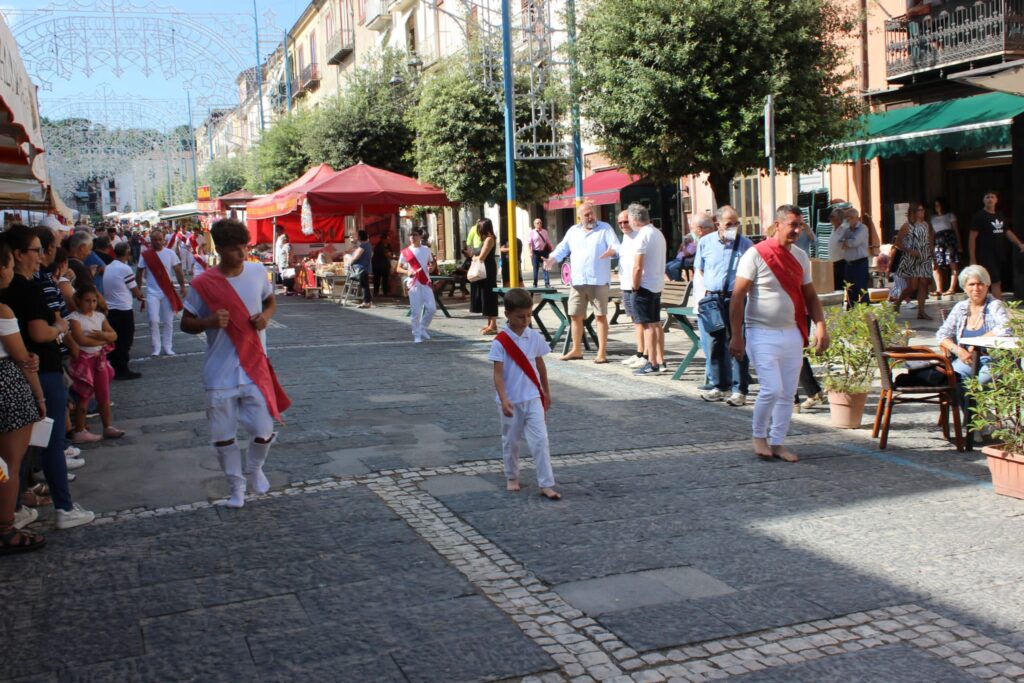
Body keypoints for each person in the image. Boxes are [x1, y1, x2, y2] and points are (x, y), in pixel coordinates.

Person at [181, 219, 288, 509]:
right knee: (223, 437)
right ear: (219, 249)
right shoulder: (203, 283)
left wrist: (265, 317)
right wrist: (208, 322)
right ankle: (235, 487)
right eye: (235, 249)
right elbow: (186, 323)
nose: (242, 254)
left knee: (264, 431)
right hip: (219, 372)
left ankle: (255, 468)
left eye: (245, 247)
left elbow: (270, 301)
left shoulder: (257, 272)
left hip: (254, 367)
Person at [0, 225, 94, 529]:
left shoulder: (17, 288)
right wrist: (60, 328)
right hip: (38, 371)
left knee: (17, 453)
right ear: (17, 255)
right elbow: (38, 334)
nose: (41, 256)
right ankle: (63, 508)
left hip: (25, 372)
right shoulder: (26, 289)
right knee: (49, 443)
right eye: (36, 250)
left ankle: (14, 509)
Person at [729, 205, 829, 463]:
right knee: (772, 389)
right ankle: (758, 436)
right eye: (793, 225)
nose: (797, 230)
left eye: (800, 225)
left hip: (791, 331)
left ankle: (777, 442)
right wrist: (736, 335)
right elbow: (738, 297)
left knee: (787, 393)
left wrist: (821, 326)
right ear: (777, 225)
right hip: (760, 332)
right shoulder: (755, 254)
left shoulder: (801, 256)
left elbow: (810, 295)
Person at [488, 288, 560, 500]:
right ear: (507, 314)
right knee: (511, 441)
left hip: (533, 397)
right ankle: (512, 476)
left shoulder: (534, 337)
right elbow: (498, 373)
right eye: (521, 316)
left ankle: (546, 484)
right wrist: (503, 399)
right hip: (511, 400)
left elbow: (540, 366)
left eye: (529, 315)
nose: (526, 320)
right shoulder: (500, 342)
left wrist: (546, 391)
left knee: (541, 440)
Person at [0, 238, 47, 552]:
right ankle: (6, 529)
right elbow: (23, 359)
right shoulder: (2, 310)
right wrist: (40, 398)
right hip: (7, 390)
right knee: (9, 465)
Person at [545, 201, 620, 363]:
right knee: (575, 315)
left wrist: (612, 251)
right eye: (587, 215)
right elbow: (562, 248)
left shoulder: (605, 228)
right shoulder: (573, 231)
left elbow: (616, 246)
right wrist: (552, 259)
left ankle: (601, 353)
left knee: (600, 316)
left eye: (592, 213)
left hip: (598, 280)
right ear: (579, 217)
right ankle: (576, 350)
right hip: (578, 281)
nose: (591, 217)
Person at [695, 205, 752, 406]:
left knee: (738, 341)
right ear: (717, 224)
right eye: (729, 224)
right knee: (714, 343)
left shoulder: (745, 244)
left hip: (736, 298)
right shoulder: (705, 242)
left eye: (736, 223)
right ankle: (720, 386)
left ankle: (740, 390)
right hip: (713, 299)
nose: (733, 227)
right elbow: (701, 269)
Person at [936, 265, 1010, 385]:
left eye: (980, 284)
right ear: (964, 287)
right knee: (953, 378)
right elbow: (942, 335)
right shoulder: (960, 308)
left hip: (991, 359)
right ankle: (961, 398)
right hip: (966, 359)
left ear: (987, 286)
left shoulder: (994, 305)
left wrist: (977, 342)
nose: (976, 288)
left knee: (984, 380)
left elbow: (1006, 328)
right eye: (971, 284)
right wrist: (958, 351)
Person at [67, 285, 123, 442]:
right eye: (87, 301)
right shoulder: (74, 318)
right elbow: (81, 340)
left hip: (99, 359)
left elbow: (113, 335)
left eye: (93, 301)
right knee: (83, 395)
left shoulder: (99, 316)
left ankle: (108, 425)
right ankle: (80, 429)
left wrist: (103, 336)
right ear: (78, 300)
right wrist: (103, 339)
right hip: (84, 361)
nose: (91, 304)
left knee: (103, 394)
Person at [627, 204, 668, 376]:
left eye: (629, 219)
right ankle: (659, 360)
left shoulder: (642, 235)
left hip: (644, 285)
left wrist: (635, 286)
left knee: (647, 325)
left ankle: (652, 362)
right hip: (656, 284)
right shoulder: (657, 233)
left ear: (634, 219)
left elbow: (638, 266)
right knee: (655, 323)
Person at [138, 228, 187, 356]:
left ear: (164, 240)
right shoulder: (146, 255)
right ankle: (156, 348)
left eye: (160, 239)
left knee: (168, 321)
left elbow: (178, 270)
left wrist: (182, 286)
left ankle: (167, 347)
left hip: (167, 291)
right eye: (155, 240)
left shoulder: (170, 253)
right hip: (152, 292)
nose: (158, 242)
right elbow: (139, 271)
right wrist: (138, 289)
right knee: (153, 320)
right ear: (151, 240)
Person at [969, 190, 1024, 299]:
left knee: (996, 281)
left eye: (992, 197)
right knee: (992, 281)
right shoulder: (979, 216)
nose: (990, 199)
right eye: (987, 197)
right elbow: (972, 238)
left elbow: (1007, 231)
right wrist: (972, 258)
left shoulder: (999, 215)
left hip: (998, 254)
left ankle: (994, 304)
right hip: (985, 254)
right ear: (983, 200)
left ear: (996, 200)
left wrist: (1019, 244)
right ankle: (996, 305)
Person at [103, 242, 144, 380]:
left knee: (115, 340)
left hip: (110, 309)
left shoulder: (108, 267)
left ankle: (114, 367)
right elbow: (135, 290)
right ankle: (122, 370)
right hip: (123, 308)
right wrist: (140, 295)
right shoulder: (125, 269)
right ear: (127, 254)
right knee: (125, 341)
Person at [616, 210, 646, 368]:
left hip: (636, 286)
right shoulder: (625, 238)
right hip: (625, 285)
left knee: (641, 321)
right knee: (635, 321)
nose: (623, 225)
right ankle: (639, 352)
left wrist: (636, 284)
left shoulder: (638, 236)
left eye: (625, 221)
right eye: (620, 223)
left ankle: (645, 354)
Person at [396, 228, 437, 343]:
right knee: (416, 311)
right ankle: (417, 335)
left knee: (432, 309)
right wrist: (407, 272)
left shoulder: (426, 249)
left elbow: (432, 263)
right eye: (410, 235)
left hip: (425, 282)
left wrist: (431, 268)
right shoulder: (405, 252)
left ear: (420, 237)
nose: (412, 237)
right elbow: (398, 268)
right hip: (414, 283)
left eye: (414, 235)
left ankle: (422, 328)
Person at [895, 203, 935, 320]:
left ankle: (921, 312)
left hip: (925, 257)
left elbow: (930, 243)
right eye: (920, 210)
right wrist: (909, 250)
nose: (922, 212)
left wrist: (934, 258)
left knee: (923, 284)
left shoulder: (927, 225)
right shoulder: (907, 226)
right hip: (912, 258)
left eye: (923, 210)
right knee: (912, 286)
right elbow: (897, 243)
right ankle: (898, 302)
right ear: (914, 212)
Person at [838, 207, 870, 307]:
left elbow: (855, 242)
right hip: (849, 264)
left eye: (847, 218)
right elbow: (838, 241)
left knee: (862, 290)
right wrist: (844, 240)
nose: (845, 221)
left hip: (860, 263)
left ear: (853, 218)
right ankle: (852, 313)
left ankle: (866, 313)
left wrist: (846, 242)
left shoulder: (863, 228)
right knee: (850, 291)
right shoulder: (846, 230)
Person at [473, 219, 500, 335]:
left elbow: (481, 257)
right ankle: (490, 323)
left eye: (479, 228)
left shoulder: (489, 239)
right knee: (485, 296)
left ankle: (493, 324)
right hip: (485, 269)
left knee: (489, 296)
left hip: (488, 270)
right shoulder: (486, 239)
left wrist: (473, 257)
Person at [931, 196, 961, 298]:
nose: (937, 207)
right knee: (935, 265)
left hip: (949, 240)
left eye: (939, 205)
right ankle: (939, 289)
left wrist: (959, 244)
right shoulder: (933, 218)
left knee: (952, 263)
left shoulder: (950, 215)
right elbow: (932, 233)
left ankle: (952, 288)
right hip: (938, 241)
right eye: (935, 205)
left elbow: (956, 230)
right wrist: (931, 245)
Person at [350, 230, 374, 309]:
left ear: (360, 237)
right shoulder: (368, 245)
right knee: (365, 285)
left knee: (364, 285)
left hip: (361, 268)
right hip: (365, 267)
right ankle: (368, 301)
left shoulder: (363, 246)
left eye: (357, 236)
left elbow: (356, 257)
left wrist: (350, 263)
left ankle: (366, 302)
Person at [529, 218, 554, 287]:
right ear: (534, 224)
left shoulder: (544, 231)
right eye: (537, 223)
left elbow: (548, 241)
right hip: (536, 252)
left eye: (540, 223)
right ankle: (535, 283)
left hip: (544, 252)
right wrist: (530, 252)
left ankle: (547, 283)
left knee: (545, 267)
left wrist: (551, 248)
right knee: (535, 268)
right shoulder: (532, 232)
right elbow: (530, 243)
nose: (539, 224)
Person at [826, 208, 846, 294]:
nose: (830, 218)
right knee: (836, 287)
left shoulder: (845, 229)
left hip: (843, 262)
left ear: (839, 218)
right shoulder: (834, 228)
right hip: (833, 263)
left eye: (832, 216)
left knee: (842, 287)